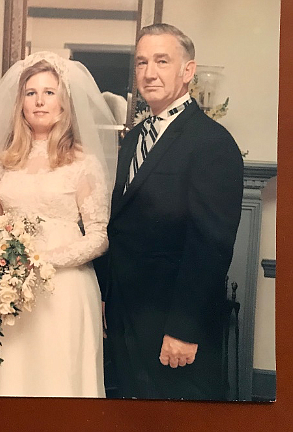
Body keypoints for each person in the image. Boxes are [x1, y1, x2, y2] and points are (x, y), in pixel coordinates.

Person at [0, 51, 118, 397]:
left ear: (64, 103)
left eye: (49, 91)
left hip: (63, 292)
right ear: (21, 104)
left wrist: (40, 262)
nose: (39, 101)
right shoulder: (5, 161)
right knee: (5, 381)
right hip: (5, 290)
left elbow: (99, 237)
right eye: (31, 93)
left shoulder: (83, 162)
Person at [103, 23, 244, 400]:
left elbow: (210, 247)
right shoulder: (133, 138)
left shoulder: (212, 143)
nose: (149, 73)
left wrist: (183, 330)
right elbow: (119, 225)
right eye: (142, 63)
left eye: (162, 61)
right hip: (126, 318)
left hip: (173, 326)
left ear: (188, 71)